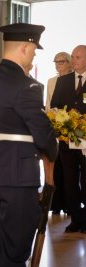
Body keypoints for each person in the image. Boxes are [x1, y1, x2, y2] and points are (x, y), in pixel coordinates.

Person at [0, 23, 58, 266]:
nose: (33, 56)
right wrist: (53, 147)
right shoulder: (27, 85)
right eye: (33, 51)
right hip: (18, 176)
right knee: (17, 245)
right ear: (25, 47)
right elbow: (43, 136)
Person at [51, 45, 86, 233]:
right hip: (67, 141)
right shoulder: (63, 81)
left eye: (78, 57)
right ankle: (76, 219)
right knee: (70, 181)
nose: (74, 60)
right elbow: (55, 105)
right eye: (73, 57)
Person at [46, 52, 72, 215]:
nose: (58, 64)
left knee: (69, 168)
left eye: (61, 61)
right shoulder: (51, 81)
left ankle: (70, 202)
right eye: (56, 61)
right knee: (56, 166)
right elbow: (49, 104)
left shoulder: (75, 80)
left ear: (69, 63)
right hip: (56, 127)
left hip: (72, 128)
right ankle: (56, 203)